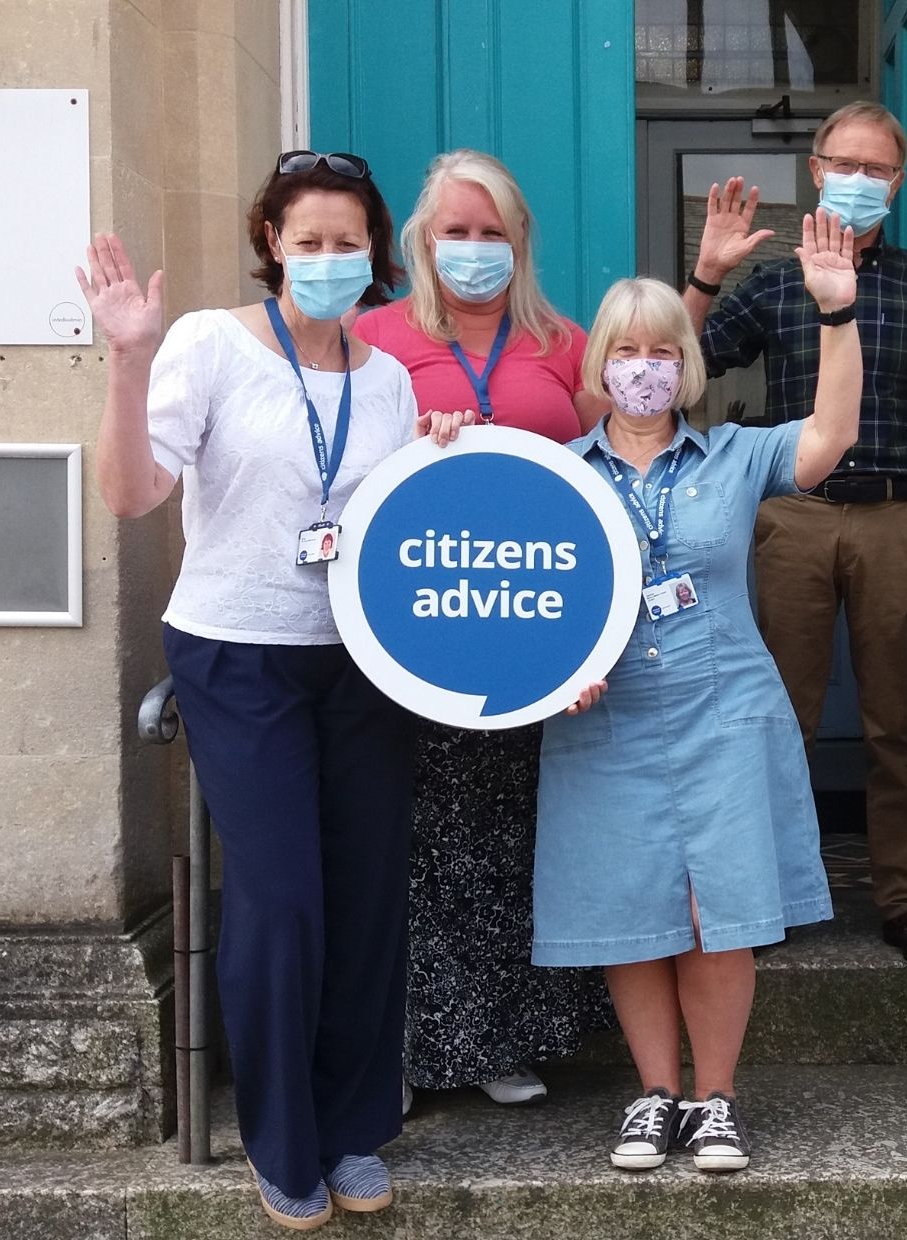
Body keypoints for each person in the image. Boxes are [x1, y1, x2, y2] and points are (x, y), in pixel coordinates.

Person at [80, 150, 422, 1229]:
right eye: (307, 240)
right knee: (281, 901)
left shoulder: (391, 380)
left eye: (347, 241)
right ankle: (283, 1145)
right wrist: (127, 365)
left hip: (364, 660)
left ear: (373, 251)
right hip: (239, 653)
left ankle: (351, 1126)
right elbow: (133, 495)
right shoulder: (210, 345)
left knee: (366, 898)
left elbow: (395, 520)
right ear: (270, 242)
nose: (328, 258)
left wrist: (445, 462)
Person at [534, 211, 859, 1174]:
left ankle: (715, 1101)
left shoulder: (737, 457)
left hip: (724, 714)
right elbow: (522, 601)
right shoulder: (558, 477)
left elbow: (833, 437)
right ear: (600, 363)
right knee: (631, 909)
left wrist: (836, 317)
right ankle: (653, 1097)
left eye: (662, 350)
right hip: (606, 721)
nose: (645, 367)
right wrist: (552, 681)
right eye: (626, 351)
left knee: (720, 910)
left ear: (688, 361)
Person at [682, 101, 907, 964]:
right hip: (795, 518)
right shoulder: (775, 280)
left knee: (895, 719)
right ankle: (767, 893)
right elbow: (681, 362)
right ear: (816, 171)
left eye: (878, 168)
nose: (860, 181)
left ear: (898, 179)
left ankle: (899, 898)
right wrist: (705, 277)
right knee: (781, 715)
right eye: (844, 165)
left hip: (896, 516)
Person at [351, 150, 612, 1110]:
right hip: (413, 629)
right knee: (411, 841)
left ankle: (502, 1037)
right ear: (422, 240)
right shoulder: (372, 341)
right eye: (455, 231)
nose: (472, 249)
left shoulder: (563, 340)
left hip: (534, 629)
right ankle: (412, 1047)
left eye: (491, 231)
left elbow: (614, 462)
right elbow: (336, 469)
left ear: (520, 241)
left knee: (516, 836)